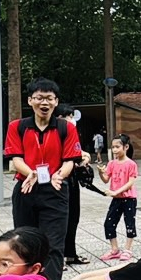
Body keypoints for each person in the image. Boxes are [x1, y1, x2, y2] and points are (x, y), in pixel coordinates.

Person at [4, 78, 82, 280]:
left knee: (53, 248)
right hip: (26, 189)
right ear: (30, 100)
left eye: (49, 98)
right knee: (24, 244)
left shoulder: (66, 128)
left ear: (56, 102)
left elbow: (69, 161)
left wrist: (59, 175)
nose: (44, 103)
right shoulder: (17, 127)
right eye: (39, 98)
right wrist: (31, 173)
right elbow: (16, 159)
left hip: (55, 192)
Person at [54, 105, 93, 267]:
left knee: (73, 218)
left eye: (71, 116)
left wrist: (85, 158)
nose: (70, 120)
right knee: (59, 221)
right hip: (56, 181)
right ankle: (58, 258)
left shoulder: (71, 133)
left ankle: (70, 254)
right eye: (65, 116)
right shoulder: (54, 134)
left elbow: (82, 154)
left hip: (71, 181)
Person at [99, 134, 139, 263]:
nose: (115, 150)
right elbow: (106, 179)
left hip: (129, 199)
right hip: (116, 199)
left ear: (126, 147)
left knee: (129, 223)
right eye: (113, 147)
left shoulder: (131, 164)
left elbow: (130, 182)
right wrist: (100, 172)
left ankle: (127, 249)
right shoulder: (112, 163)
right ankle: (114, 249)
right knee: (109, 223)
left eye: (117, 147)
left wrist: (115, 191)